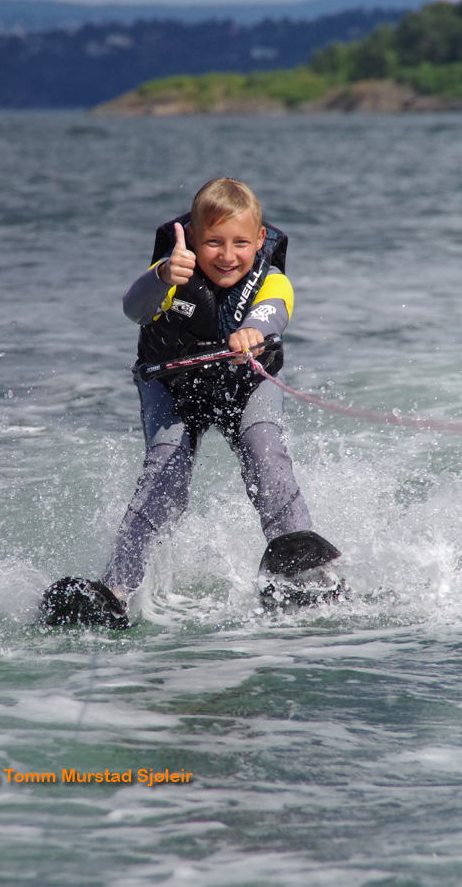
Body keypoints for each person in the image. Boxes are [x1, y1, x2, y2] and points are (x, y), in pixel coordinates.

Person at [41, 178, 340, 630]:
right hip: (173, 387)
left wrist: (254, 331)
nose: (227, 255)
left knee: (266, 454)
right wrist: (162, 275)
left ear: (260, 239)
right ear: (194, 238)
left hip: (245, 385)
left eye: (241, 243)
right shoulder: (172, 273)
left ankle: (300, 568)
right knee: (165, 475)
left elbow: (274, 311)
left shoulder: (272, 281)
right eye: (213, 242)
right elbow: (134, 309)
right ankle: (114, 592)